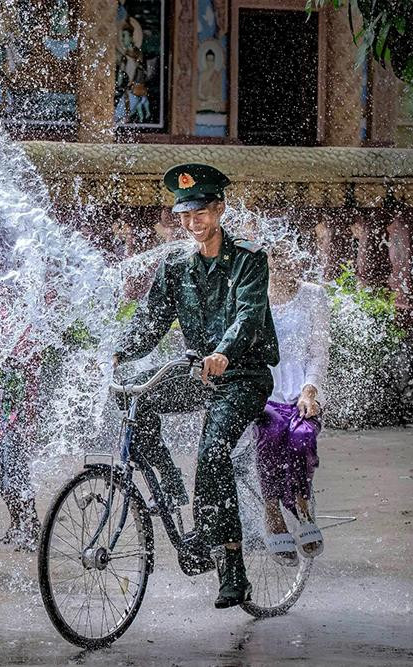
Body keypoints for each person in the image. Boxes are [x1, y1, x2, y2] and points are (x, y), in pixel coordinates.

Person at [112, 163, 279, 609]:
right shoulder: (175, 267)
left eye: (200, 212)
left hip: (243, 374)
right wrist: (114, 354)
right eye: (184, 215)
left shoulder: (248, 259)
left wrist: (224, 352)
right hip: (199, 375)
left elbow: (247, 316)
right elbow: (150, 322)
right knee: (136, 400)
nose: (192, 223)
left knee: (212, 450)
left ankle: (232, 569)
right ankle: (170, 489)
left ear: (220, 209)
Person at [255, 241, 329, 564]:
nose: (282, 261)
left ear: (299, 257)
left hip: (302, 395)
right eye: (275, 254)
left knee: (301, 439)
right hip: (266, 395)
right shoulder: (254, 297)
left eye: (288, 254)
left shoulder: (314, 296)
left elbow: (318, 352)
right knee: (270, 435)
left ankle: (301, 505)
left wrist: (309, 391)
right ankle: (272, 510)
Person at [0, 347, 41, 551]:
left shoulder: (25, 340)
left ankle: (32, 526)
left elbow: (32, 371)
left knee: (18, 475)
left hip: (18, 420)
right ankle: (15, 525)